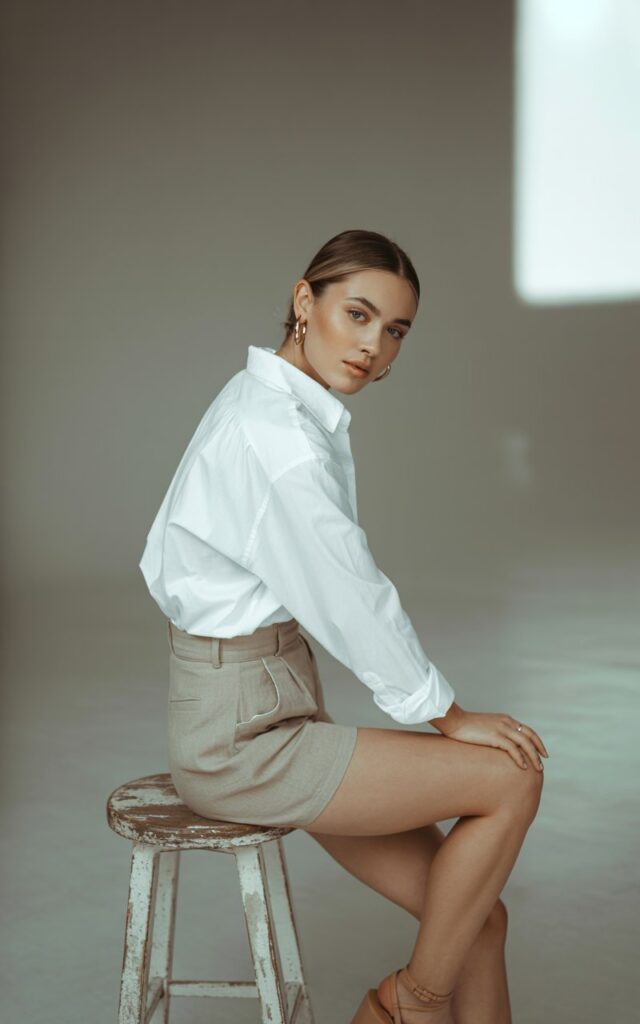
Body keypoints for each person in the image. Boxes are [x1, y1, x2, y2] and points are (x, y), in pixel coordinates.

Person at [138, 228, 548, 1024]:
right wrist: (449, 716)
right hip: (243, 743)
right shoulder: (277, 438)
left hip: (270, 711)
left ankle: (415, 999)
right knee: (512, 776)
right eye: (357, 314)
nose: (373, 346)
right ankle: (409, 1005)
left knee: (476, 922)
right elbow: (350, 597)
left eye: (395, 331)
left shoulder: (271, 401)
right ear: (305, 301)